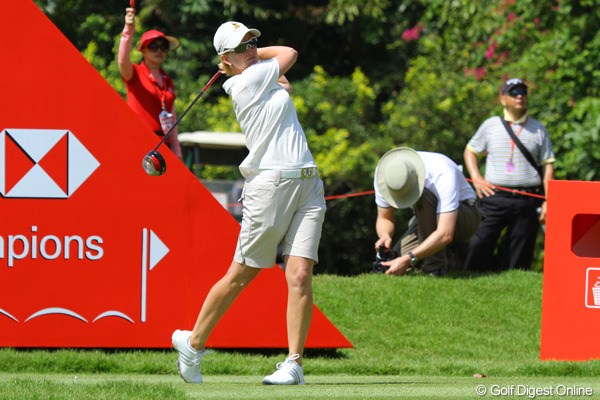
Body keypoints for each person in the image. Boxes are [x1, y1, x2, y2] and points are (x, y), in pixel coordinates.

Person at [171, 21, 326, 385]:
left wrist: (247, 57)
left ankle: (294, 364)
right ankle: (193, 345)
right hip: (270, 186)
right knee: (242, 274)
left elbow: (284, 81)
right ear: (226, 58)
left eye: (253, 41)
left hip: (308, 183)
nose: (253, 48)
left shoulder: (255, 75)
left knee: (300, 275)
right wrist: (251, 60)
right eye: (243, 46)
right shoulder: (245, 83)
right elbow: (290, 55)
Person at [463, 78, 555, 271]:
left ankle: (512, 286)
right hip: (494, 196)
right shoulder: (491, 125)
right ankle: (469, 278)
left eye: (523, 92)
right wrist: (477, 178)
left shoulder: (539, 129)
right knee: (478, 243)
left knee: (519, 252)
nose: (519, 96)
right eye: (514, 92)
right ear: (503, 99)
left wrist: (548, 199)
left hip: (527, 198)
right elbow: (470, 150)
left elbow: (548, 165)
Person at [374, 147, 481, 276]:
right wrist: (385, 235)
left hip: (465, 217)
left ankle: (436, 268)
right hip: (427, 221)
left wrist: (409, 259)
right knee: (394, 262)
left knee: (424, 196)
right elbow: (384, 218)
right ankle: (444, 256)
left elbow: (445, 234)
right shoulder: (385, 174)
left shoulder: (441, 171)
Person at [118, 7, 182, 158]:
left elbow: (172, 117)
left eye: (163, 47)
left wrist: (176, 150)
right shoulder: (134, 73)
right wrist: (128, 30)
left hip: (163, 145)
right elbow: (122, 59)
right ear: (143, 50)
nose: (159, 50)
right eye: (153, 46)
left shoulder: (167, 80)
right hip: (139, 143)